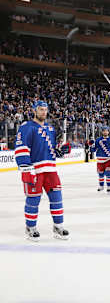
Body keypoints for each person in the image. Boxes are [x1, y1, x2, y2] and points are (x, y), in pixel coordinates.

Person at [14, 101, 70, 241]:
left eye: (45, 109)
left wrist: (59, 152)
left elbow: (48, 149)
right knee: (33, 199)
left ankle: (58, 226)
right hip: (35, 170)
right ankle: (30, 227)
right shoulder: (27, 127)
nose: (44, 112)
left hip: (50, 169)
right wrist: (26, 169)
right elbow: (21, 147)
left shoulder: (50, 129)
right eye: (40, 109)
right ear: (34, 110)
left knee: (57, 198)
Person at [89, 125, 110, 193]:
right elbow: (93, 149)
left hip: (108, 159)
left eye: (106, 131)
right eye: (104, 131)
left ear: (108, 131)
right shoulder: (98, 140)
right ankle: (101, 186)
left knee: (108, 174)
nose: (105, 132)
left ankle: (108, 186)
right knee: (100, 174)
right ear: (102, 132)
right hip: (100, 160)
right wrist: (91, 145)